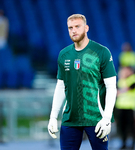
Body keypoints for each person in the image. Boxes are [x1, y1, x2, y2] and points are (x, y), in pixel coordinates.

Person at [47, 14, 117, 150]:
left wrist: (107, 117)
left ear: (86, 28)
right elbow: (61, 86)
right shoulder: (64, 54)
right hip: (70, 119)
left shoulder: (102, 52)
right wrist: (53, 116)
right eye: (70, 28)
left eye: (77, 27)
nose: (73, 30)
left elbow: (111, 86)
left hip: (96, 118)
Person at [115, 67, 135, 150]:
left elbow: (130, 87)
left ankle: (133, 144)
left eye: (125, 71)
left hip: (131, 106)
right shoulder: (121, 80)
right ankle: (123, 143)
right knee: (121, 126)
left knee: (131, 126)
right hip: (120, 106)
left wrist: (119, 91)